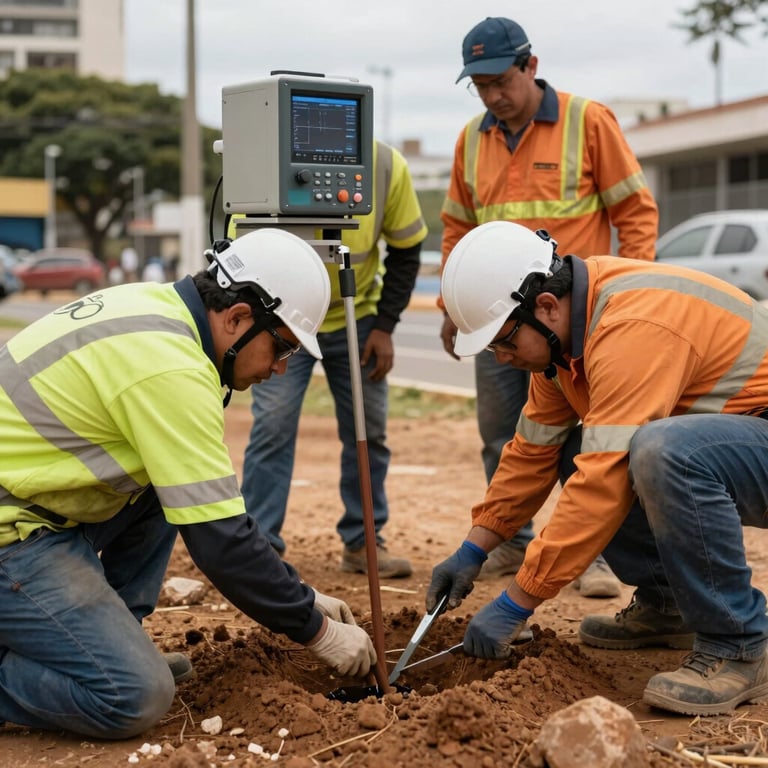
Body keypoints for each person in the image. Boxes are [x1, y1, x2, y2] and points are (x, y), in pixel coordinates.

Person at [0, 228, 376, 739]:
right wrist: (315, 629)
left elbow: (209, 508)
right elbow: (220, 540)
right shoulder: (168, 369)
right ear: (238, 317)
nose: (280, 369)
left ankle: (98, 643)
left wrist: (302, 595)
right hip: (13, 533)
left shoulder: (158, 311)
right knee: (136, 695)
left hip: (39, 503)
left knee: (172, 484)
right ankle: (93, 664)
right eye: (281, 348)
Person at [427, 220, 768, 716]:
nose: (501, 359)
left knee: (662, 449)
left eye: (503, 343)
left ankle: (738, 643)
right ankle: (669, 603)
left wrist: (518, 600)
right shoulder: (563, 346)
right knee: (579, 447)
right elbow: (532, 452)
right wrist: (475, 545)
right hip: (745, 443)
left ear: (545, 306)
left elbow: (603, 481)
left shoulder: (632, 327)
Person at [438, 16, 659, 594]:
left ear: (530, 66)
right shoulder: (471, 140)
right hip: (497, 318)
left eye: (499, 81)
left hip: (575, 326)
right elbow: (456, 229)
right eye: (479, 86)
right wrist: (453, 306)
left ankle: (601, 554)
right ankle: (510, 540)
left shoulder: (589, 121)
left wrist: (631, 297)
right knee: (506, 436)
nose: (491, 95)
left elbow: (635, 215)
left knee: (598, 444)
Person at [240, 141, 427, 578]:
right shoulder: (265, 158)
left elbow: (407, 248)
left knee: (368, 431)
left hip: (356, 318)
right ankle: (261, 548)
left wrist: (385, 326)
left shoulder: (383, 164)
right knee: (272, 428)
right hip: (281, 319)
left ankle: (363, 543)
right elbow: (241, 254)